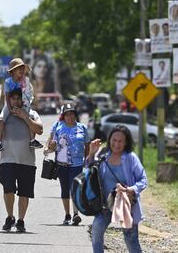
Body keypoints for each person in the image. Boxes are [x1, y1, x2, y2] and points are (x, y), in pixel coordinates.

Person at [0, 88, 43, 233]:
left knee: (24, 193)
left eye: (18, 98)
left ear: (23, 100)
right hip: (7, 159)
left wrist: (25, 117)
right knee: (8, 189)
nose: (16, 101)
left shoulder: (32, 114)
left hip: (27, 161)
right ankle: (10, 216)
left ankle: (21, 221)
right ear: (9, 99)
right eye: (13, 98)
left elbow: (40, 130)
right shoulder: (5, 115)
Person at [88, 125, 147, 253]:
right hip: (105, 205)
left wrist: (131, 189)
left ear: (126, 143)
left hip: (125, 205)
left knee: (131, 239)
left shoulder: (131, 158)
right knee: (96, 234)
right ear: (109, 140)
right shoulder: (103, 155)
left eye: (120, 141)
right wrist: (91, 153)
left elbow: (143, 179)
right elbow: (90, 170)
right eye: (114, 140)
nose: (116, 144)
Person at [44, 103, 90, 225]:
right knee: (65, 189)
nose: (69, 116)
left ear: (75, 115)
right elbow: (50, 142)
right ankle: (67, 214)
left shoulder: (82, 128)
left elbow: (87, 144)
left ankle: (76, 214)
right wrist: (48, 147)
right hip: (61, 164)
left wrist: (86, 159)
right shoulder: (58, 126)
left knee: (75, 188)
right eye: (67, 114)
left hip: (77, 164)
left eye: (72, 114)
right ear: (63, 116)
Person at [0, 58, 43, 152]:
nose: (21, 70)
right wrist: (10, 108)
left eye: (22, 68)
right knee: (1, 119)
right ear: (13, 71)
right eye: (18, 68)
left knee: (30, 118)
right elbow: (7, 96)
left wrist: (24, 108)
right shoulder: (8, 82)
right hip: (9, 104)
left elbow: (28, 94)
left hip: (23, 103)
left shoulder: (25, 82)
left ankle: (32, 140)